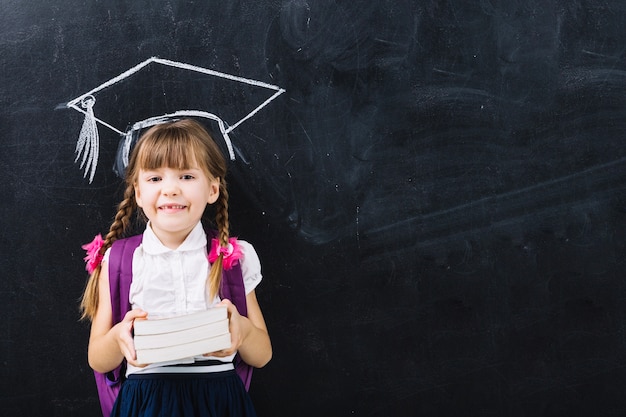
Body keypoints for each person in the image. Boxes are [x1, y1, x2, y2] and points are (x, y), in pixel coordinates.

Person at [79, 118, 272, 416]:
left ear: (212, 189)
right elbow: (98, 359)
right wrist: (121, 338)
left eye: (186, 176)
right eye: (155, 179)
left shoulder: (233, 257)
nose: (170, 190)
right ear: (138, 193)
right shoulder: (118, 260)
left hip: (218, 400)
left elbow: (262, 355)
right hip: (147, 400)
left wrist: (242, 331)